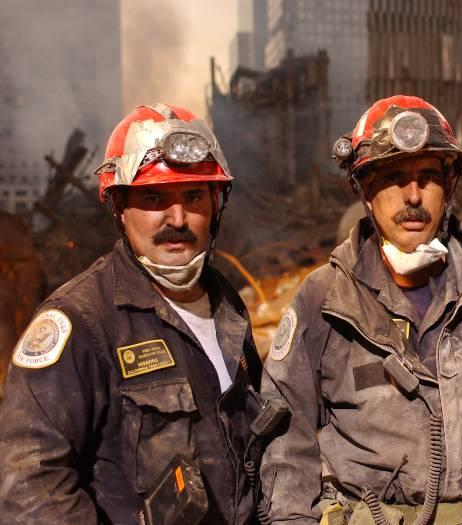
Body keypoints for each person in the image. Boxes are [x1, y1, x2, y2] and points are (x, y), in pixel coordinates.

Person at [259, 95, 462, 524]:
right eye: (393, 178)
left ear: (449, 186)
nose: (413, 195)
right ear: (365, 191)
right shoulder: (326, 299)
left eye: (427, 176)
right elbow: (285, 446)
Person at [0, 103, 271, 524]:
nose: (177, 218)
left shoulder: (227, 305)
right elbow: (30, 485)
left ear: (215, 204)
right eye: (154, 198)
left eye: (194, 196)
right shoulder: (80, 322)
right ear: (120, 207)